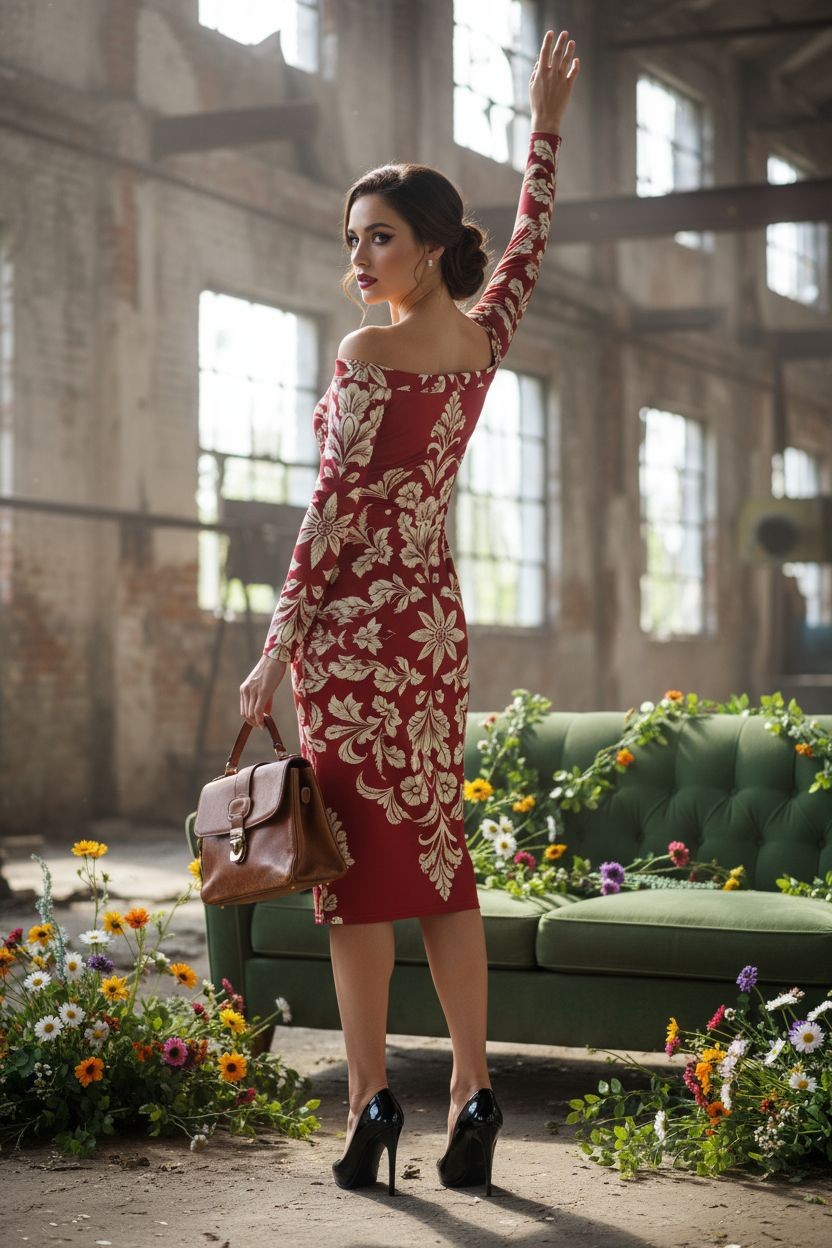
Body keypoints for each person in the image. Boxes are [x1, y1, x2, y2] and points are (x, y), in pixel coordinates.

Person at [239, 28, 580, 1197]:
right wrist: (543, 129)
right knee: (434, 864)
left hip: (348, 640)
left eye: (380, 235)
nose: (362, 253)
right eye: (352, 238)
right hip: (429, 633)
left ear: (431, 247)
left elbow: (328, 511)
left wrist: (273, 653)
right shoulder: (482, 340)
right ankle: (472, 1092)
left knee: (353, 879)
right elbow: (529, 242)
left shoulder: (367, 350)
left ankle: (371, 1100)